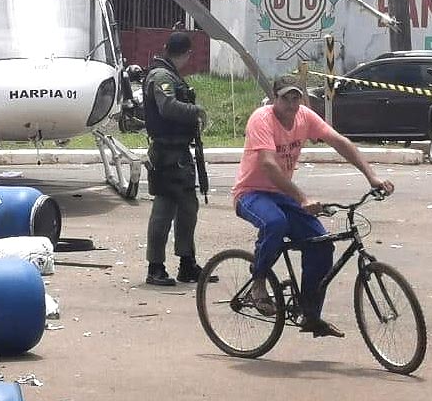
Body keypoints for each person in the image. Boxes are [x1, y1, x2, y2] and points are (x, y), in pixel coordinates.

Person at [231, 74, 395, 338]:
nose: (293, 103)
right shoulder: (261, 119)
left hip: (282, 194)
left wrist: (371, 176)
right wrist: (302, 198)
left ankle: (310, 314)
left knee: (321, 244)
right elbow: (269, 166)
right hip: (251, 193)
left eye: (297, 97)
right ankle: (258, 282)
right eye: (287, 98)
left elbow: (340, 142)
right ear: (275, 98)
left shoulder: (305, 117)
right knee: (275, 223)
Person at [142, 32, 207, 286]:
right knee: (164, 210)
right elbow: (167, 106)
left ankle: (187, 263)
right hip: (166, 154)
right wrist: (196, 111)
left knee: (188, 208)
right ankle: (155, 266)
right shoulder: (161, 76)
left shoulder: (169, 74)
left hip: (178, 153)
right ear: (186, 53)